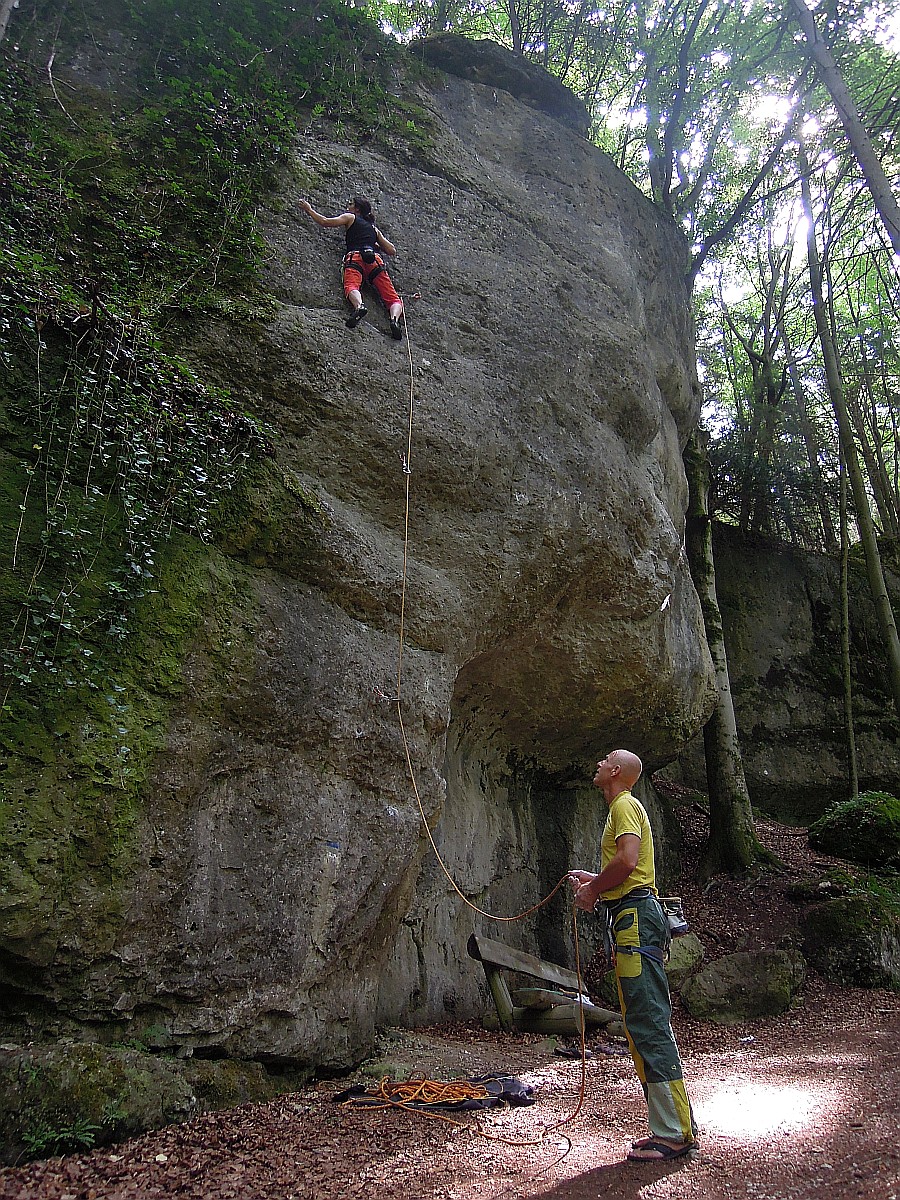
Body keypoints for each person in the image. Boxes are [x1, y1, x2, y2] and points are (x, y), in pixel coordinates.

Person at [569, 749, 697, 1163]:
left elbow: (628, 861)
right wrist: (597, 881)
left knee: (647, 1019)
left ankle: (675, 1133)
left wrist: (592, 891)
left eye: (604, 759)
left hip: (636, 919)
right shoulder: (623, 807)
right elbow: (626, 869)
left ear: (617, 771)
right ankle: (669, 1126)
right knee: (641, 1020)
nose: (599, 762)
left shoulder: (624, 804)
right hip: (633, 915)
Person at [299, 196, 404, 339]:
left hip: (355, 257)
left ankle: (359, 306)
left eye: (351, 204)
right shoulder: (374, 229)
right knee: (393, 299)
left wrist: (309, 209)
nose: (347, 207)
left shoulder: (350, 217)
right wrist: (376, 245)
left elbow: (325, 221)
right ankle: (394, 319)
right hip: (374, 260)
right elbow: (392, 250)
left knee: (351, 286)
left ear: (357, 209)